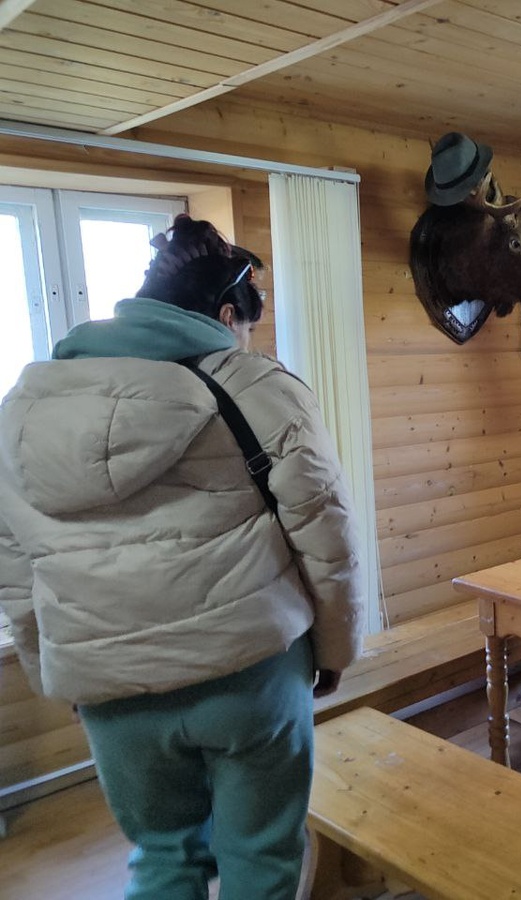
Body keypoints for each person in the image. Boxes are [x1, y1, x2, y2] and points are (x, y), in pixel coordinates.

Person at [0, 215, 364, 900]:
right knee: (262, 854)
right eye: (247, 326)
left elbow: (16, 568)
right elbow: (326, 533)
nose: (249, 341)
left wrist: (56, 672)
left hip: (108, 685)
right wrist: (337, 648)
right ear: (228, 313)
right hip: (250, 668)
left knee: (163, 858)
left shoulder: (20, 408)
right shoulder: (255, 386)